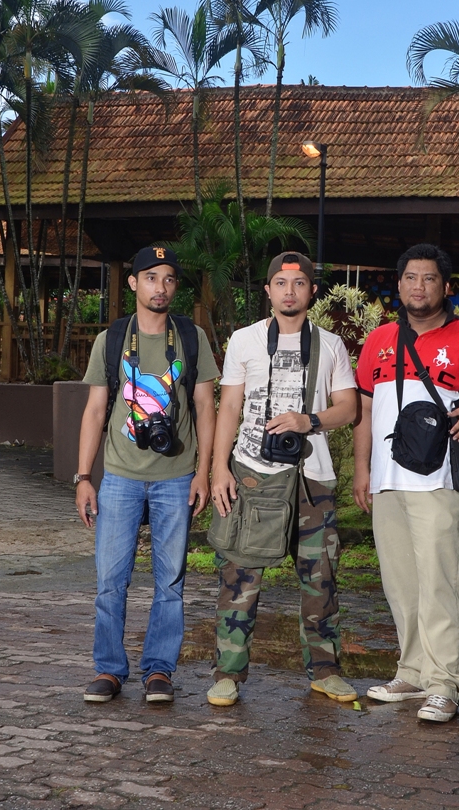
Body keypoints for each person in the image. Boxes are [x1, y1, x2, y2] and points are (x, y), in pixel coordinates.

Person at [353, 244, 459, 722]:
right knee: (401, 583)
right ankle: (412, 673)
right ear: (398, 284)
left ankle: (444, 682)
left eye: (428, 278)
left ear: (445, 287)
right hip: (388, 480)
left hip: (441, 481)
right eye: (410, 277)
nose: (418, 286)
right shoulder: (380, 339)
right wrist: (362, 469)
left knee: (439, 583)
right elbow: (365, 408)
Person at [208, 251, 358, 707]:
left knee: (320, 579)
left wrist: (307, 421)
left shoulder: (330, 344)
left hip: (313, 480)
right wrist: (219, 469)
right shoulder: (245, 340)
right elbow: (229, 407)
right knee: (240, 576)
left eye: (298, 283)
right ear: (268, 290)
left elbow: (349, 409)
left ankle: (325, 671)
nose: (289, 291)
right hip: (253, 476)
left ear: (312, 291)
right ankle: (227, 674)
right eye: (280, 283)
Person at [75, 245, 218, 704]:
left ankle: (159, 670)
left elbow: (205, 408)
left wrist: (203, 472)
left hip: (177, 475)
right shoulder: (112, 339)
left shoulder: (191, 338)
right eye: (152, 277)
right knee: (110, 581)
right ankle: (109, 668)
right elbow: (95, 410)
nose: (161, 287)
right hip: (120, 475)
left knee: (170, 581)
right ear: (134, 283)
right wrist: (83, 477)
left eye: (169, 278)